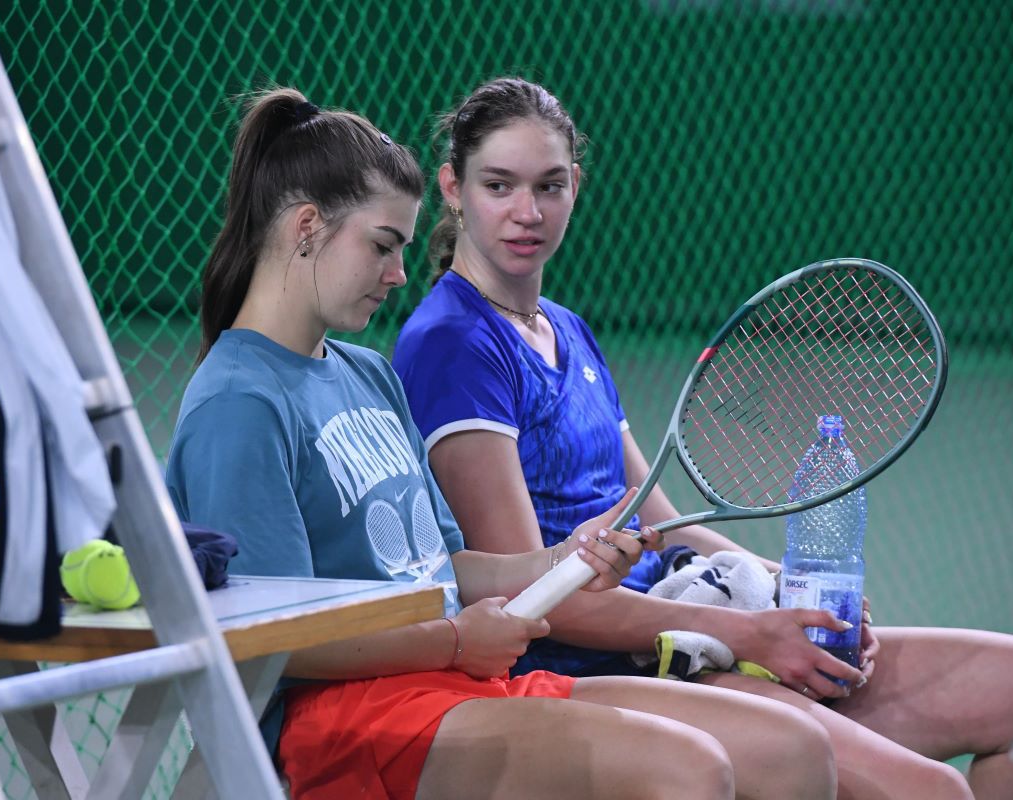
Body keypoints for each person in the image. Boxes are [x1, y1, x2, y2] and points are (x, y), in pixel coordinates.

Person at [392, 76, 1013, 800]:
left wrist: (782, 590)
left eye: (549, 186)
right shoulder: (452, 346)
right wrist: (748, 637)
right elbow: (541, 596)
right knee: (934, 793)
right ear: (453, 188)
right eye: (499, 186)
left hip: (696, 624)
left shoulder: (566, 328)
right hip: (599, 671)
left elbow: (652, 515)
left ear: (576, 185)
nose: (527, 213)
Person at [164, 87, 838, 800]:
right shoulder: (239, 401)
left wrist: (561, 559)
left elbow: (449, 566)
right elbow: (277, 640)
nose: (399, 274)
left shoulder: (365, 373)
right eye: (382, 246)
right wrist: (454, 641)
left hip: (452, 680)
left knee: (789, 751)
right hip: (342, 718)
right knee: (689, 770)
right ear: (306, 227)